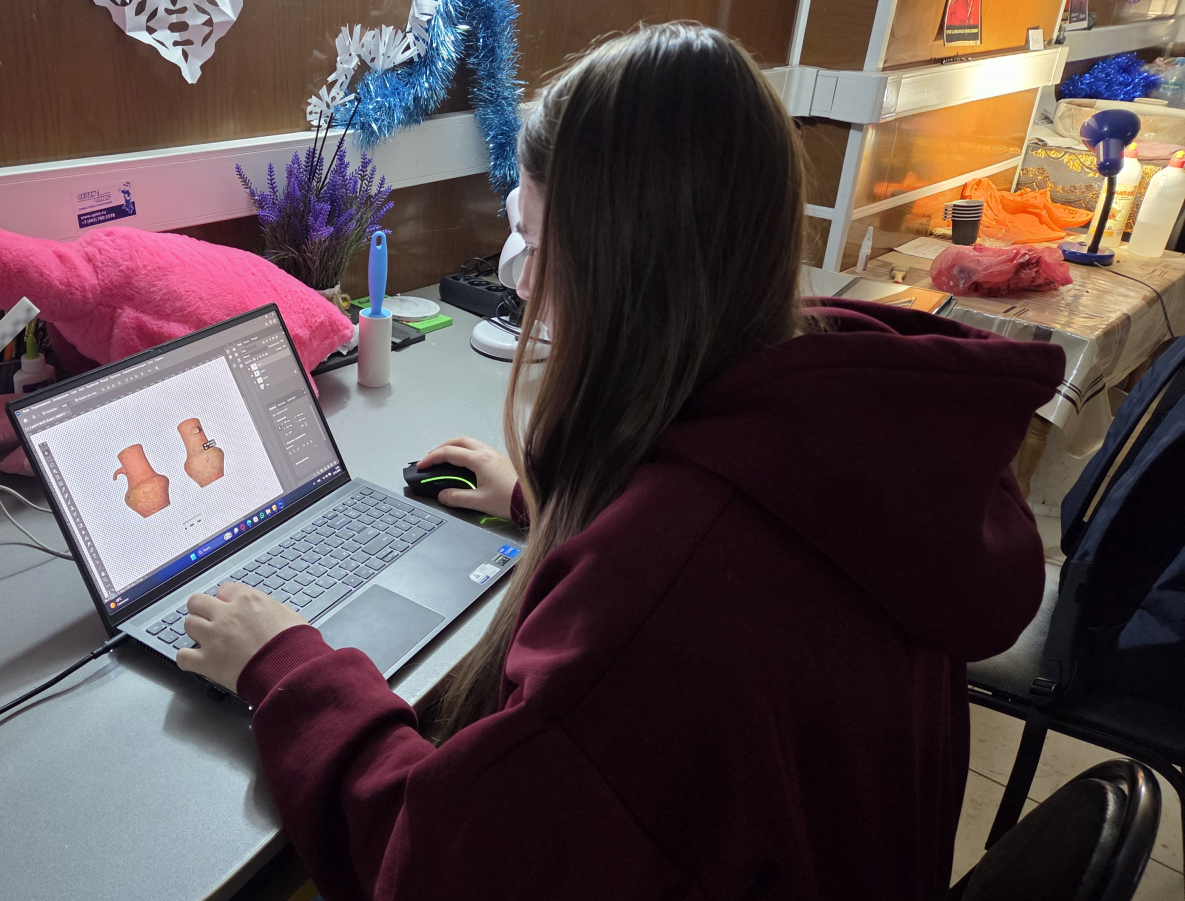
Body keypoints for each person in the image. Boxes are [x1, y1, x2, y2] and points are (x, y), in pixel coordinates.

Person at [179, 22, 1064, 900]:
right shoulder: (860, 437)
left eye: (534, 243)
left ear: (618, 265)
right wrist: (554, 503)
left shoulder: (655, 609)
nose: (524, 284)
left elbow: (432, 869)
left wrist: (291, 669)